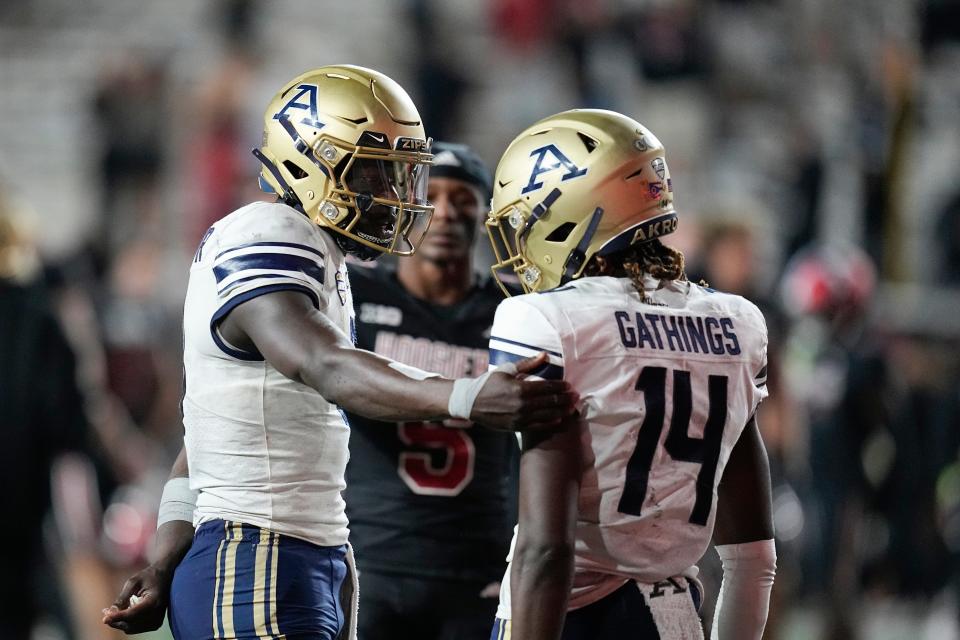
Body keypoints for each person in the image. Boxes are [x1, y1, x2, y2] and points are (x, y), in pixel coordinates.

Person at [101, 65, 576, 640]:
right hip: (255, 558)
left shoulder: (320, 254)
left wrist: (163, 560)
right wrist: (466, 395)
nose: (395, 196)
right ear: (311, 161)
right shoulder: (267, 231)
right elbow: (321, 362)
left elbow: (200, 442)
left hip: (304, 553)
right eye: (376, 172)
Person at [483, 109, 776, 639]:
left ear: (573, 211)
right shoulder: (737, 322)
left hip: (568, 618)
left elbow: (547, 551)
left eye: (529, 219)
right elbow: (754, 559)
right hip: (673, 619)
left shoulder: (550, 321)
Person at [344, 141, 515, 639]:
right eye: (432, 195)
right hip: (368, 557)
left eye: (463, 199)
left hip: (474, 563)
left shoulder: (511, 310)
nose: (446, 212)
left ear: (485, 214)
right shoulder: (357, 292)